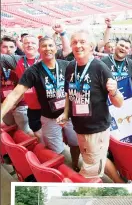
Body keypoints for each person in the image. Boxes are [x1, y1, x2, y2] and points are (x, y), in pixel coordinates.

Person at [1, 36, 80, 170]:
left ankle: (75, 164)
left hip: (70, 115)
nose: (47, 48)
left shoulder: (67, 66)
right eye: (44, 46)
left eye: (50, 45)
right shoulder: (33, 71)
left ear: (56, 48)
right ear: (39, 50)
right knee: (55, 150)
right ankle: (60, 171)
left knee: (75, 144)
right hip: (49, 118)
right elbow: (15, 94)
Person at [57, 30, 124, 182]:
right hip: (80, 127)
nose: (78, 45)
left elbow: (119, 103)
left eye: (82, 42)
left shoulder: (100, 68)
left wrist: (113, 92)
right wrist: (66, 113)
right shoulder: (70, 67)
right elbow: (69, 94)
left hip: (96, 130)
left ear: (91, 46)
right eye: (74, 42)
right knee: (97, 159)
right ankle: (121, 184)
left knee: (89, 171)